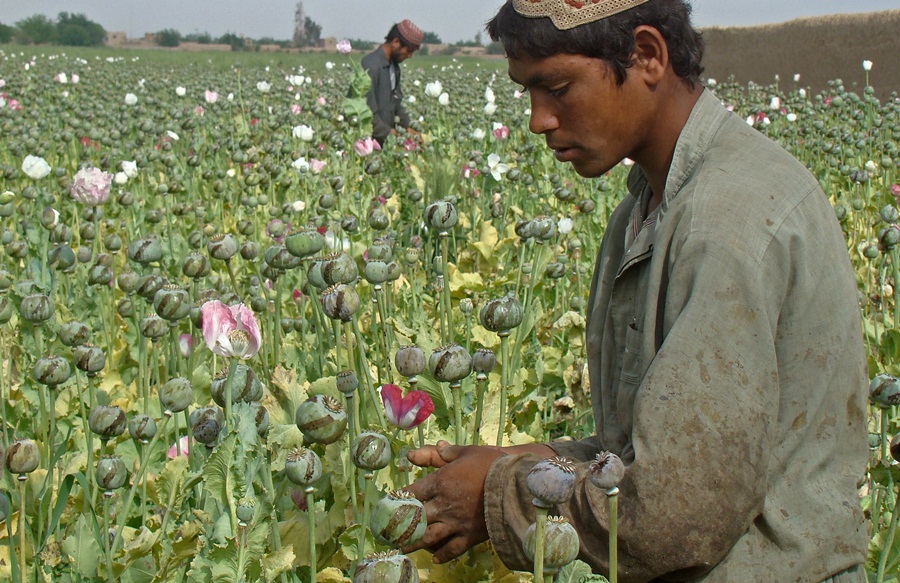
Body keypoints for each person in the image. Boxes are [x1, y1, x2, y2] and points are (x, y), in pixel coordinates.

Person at [404, 0, 869, 581]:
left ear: (647, 55)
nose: (537, 120)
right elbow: (631, 452)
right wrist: (523, 461)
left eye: (557, 88)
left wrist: (497, 496)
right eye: (527, 92)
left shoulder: (726, 221)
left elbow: (674, 516)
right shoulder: (643, 211)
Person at [360, 19, 423, 146]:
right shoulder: (370, 66)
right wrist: (395, 136)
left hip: (385, 143)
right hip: (368, 144)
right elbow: (366, 115)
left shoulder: (394, 67)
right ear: (395, 42)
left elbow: (396, 105)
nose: (410, 56)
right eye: (409, 50)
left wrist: (408, 129)